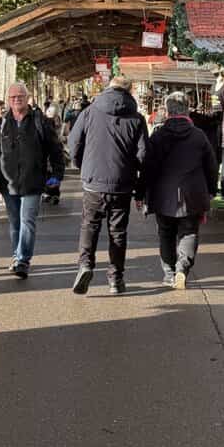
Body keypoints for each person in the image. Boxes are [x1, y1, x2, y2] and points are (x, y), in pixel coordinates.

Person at [67, 73, 148, 296]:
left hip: (93, 182)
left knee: (90, 225)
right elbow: (144, 156)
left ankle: (85, 265)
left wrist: (83, 165)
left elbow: (73, 143)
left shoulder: (90, 112)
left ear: (108, 88)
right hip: (122, 184)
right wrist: (138, 183)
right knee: (118, 232)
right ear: (130, 91)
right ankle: (116, 280)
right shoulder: (137, 119)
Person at [0, 82, 64, 278]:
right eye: (12, 97)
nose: (16, 99)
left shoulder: (41, 122)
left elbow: (55, 150)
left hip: (33, 181)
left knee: (27, 220)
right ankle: (16, 255)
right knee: (15, 223)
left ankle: (23, 260)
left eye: (20, 96)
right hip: (7, 182)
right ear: (8, 100)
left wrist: (56, 175)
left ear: (27, 98)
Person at [140, 90, 218, 291]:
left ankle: (169, 274)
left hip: (162, 196)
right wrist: (211, 190)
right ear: (188, 110)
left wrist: (140, 193)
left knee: (166, 233)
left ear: (167, 111)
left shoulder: (158, 136)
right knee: (189, 232)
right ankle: (182, 268)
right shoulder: (198, 136)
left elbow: (148, 167)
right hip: (192, 195)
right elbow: (211, 166)